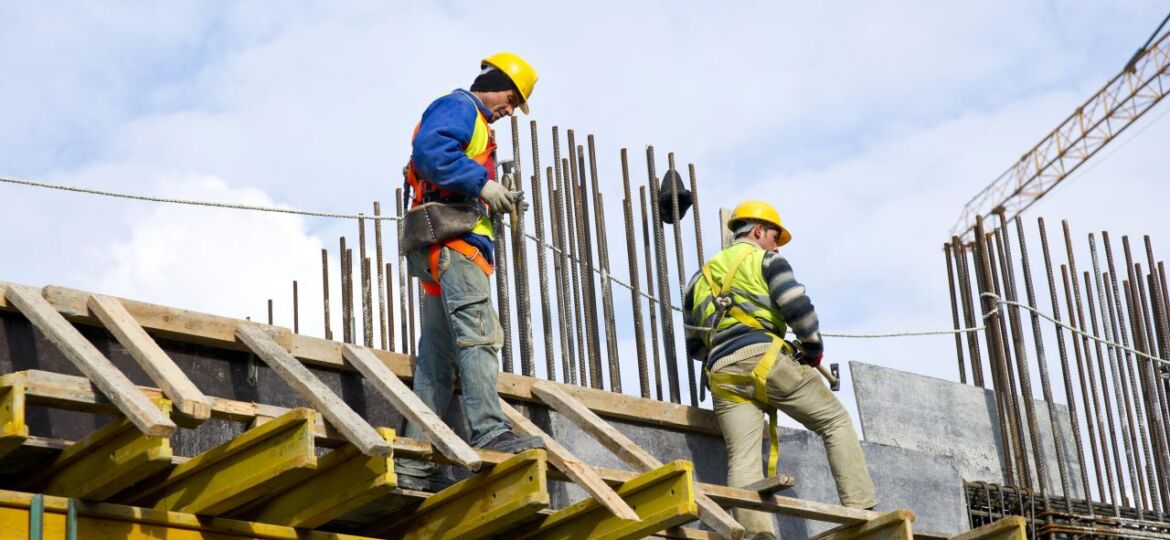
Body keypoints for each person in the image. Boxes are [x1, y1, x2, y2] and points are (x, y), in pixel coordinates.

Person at [395, 53, 544, 491]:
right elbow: (431, 152)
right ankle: (490, 430)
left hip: (441, 249)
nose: (511, 110)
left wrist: (492, 195)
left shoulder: (476, 125)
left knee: (437, 364)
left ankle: (414, 464)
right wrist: (483, 185)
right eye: (512, 99)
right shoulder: (461, 107)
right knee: (480, 337)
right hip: (456, 248)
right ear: (494, 83)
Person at [683, 201, 876, 538]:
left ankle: (758, 534)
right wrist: (813, 349)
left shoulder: (697, 280)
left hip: (722, 374)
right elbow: (798, 307)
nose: (776, 244)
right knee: (835, 421)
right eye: (774, 236)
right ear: (758, 231)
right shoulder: (767, 260)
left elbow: (695, 347)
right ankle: (861, 511)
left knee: (742, 458)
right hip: (765, 358)